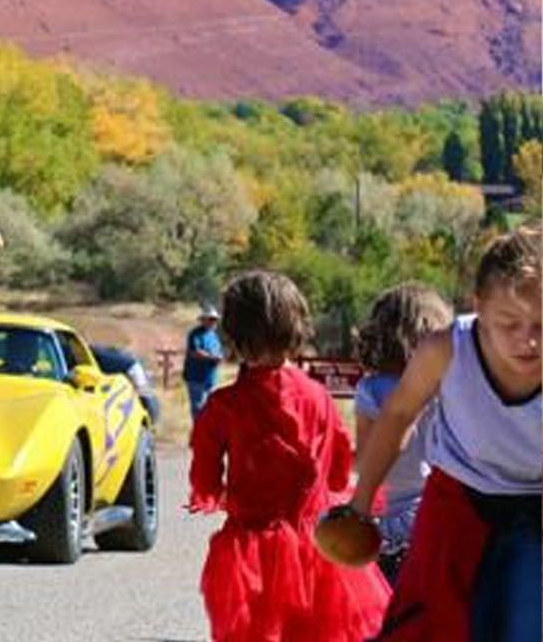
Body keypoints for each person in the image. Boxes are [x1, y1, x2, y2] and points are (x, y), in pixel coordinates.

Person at [345, 228, 541, 640]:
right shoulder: (447, 349)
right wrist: (359, 505)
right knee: (433, 623)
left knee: (523, 624)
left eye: (542, 323)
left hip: (535, 505)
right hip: (458, 500)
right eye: (510, 323)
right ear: (480, 307)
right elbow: (398, 414)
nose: (529, 339)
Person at [187, 270, 389, 642]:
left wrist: (218, 495)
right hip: (319, 547)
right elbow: (338, 472)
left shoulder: (223, 406)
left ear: (233, 335)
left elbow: (205, 481)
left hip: (252, 552)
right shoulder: (317, 396)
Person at [350, 283, 453, 583]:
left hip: (394, 526)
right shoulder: (450, 385)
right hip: (447, 516)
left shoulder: (372, 389)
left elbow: (367, 462)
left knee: (395, 617)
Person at [183, 303, 224, 417]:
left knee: (210, 409)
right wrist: (213, 357)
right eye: (211, 319)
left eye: (215, 319)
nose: (213, 322)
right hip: (196, 378)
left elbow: (218, 351)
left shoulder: (214, 335)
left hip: (210, 378)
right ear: (203, 320)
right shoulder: (195, 334)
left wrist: (219, 357)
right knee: (199, 410)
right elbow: (195, 352)